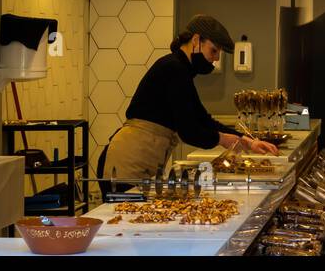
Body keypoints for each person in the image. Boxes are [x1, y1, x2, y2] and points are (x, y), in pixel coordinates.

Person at [104, 15, 280, 182]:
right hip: (127, 161)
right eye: (214, 50)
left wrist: (247, 141)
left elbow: (202, 120)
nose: (217, 58)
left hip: (139, 158)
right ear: (196, 41)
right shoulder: (174, 69)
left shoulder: (180, 70)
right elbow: (190, 131)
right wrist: (223, 139)